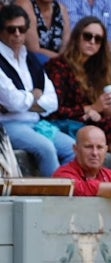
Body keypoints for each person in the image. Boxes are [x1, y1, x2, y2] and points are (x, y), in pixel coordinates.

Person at [0, 4, 76, 176]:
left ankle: (73, 192)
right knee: (46, 148)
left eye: (22, 29)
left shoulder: (30, 58)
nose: (17, 34)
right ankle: (57, 201)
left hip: (35, 123)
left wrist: (25, 101)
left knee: (73, 149)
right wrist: (34, 97)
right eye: (11, 30)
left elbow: (53, 102)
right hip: (8, 125)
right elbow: (12, 101)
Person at [44, 17, 111, 150]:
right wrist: (92, 108)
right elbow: (53, 110)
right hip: (65, 124)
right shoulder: (58, 66)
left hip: (90, 122)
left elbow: (99, 109)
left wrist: (97, 111)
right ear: (77, 37)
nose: (92, 42)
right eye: (87, 36)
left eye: (98, 39)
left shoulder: (97, 68)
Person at [16, 0, 70, 65]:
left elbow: (66, 45)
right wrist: (63, 62)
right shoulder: (25, 5)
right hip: (33, 62)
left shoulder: (62, 9)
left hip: (59, 63)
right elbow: (34, 49)